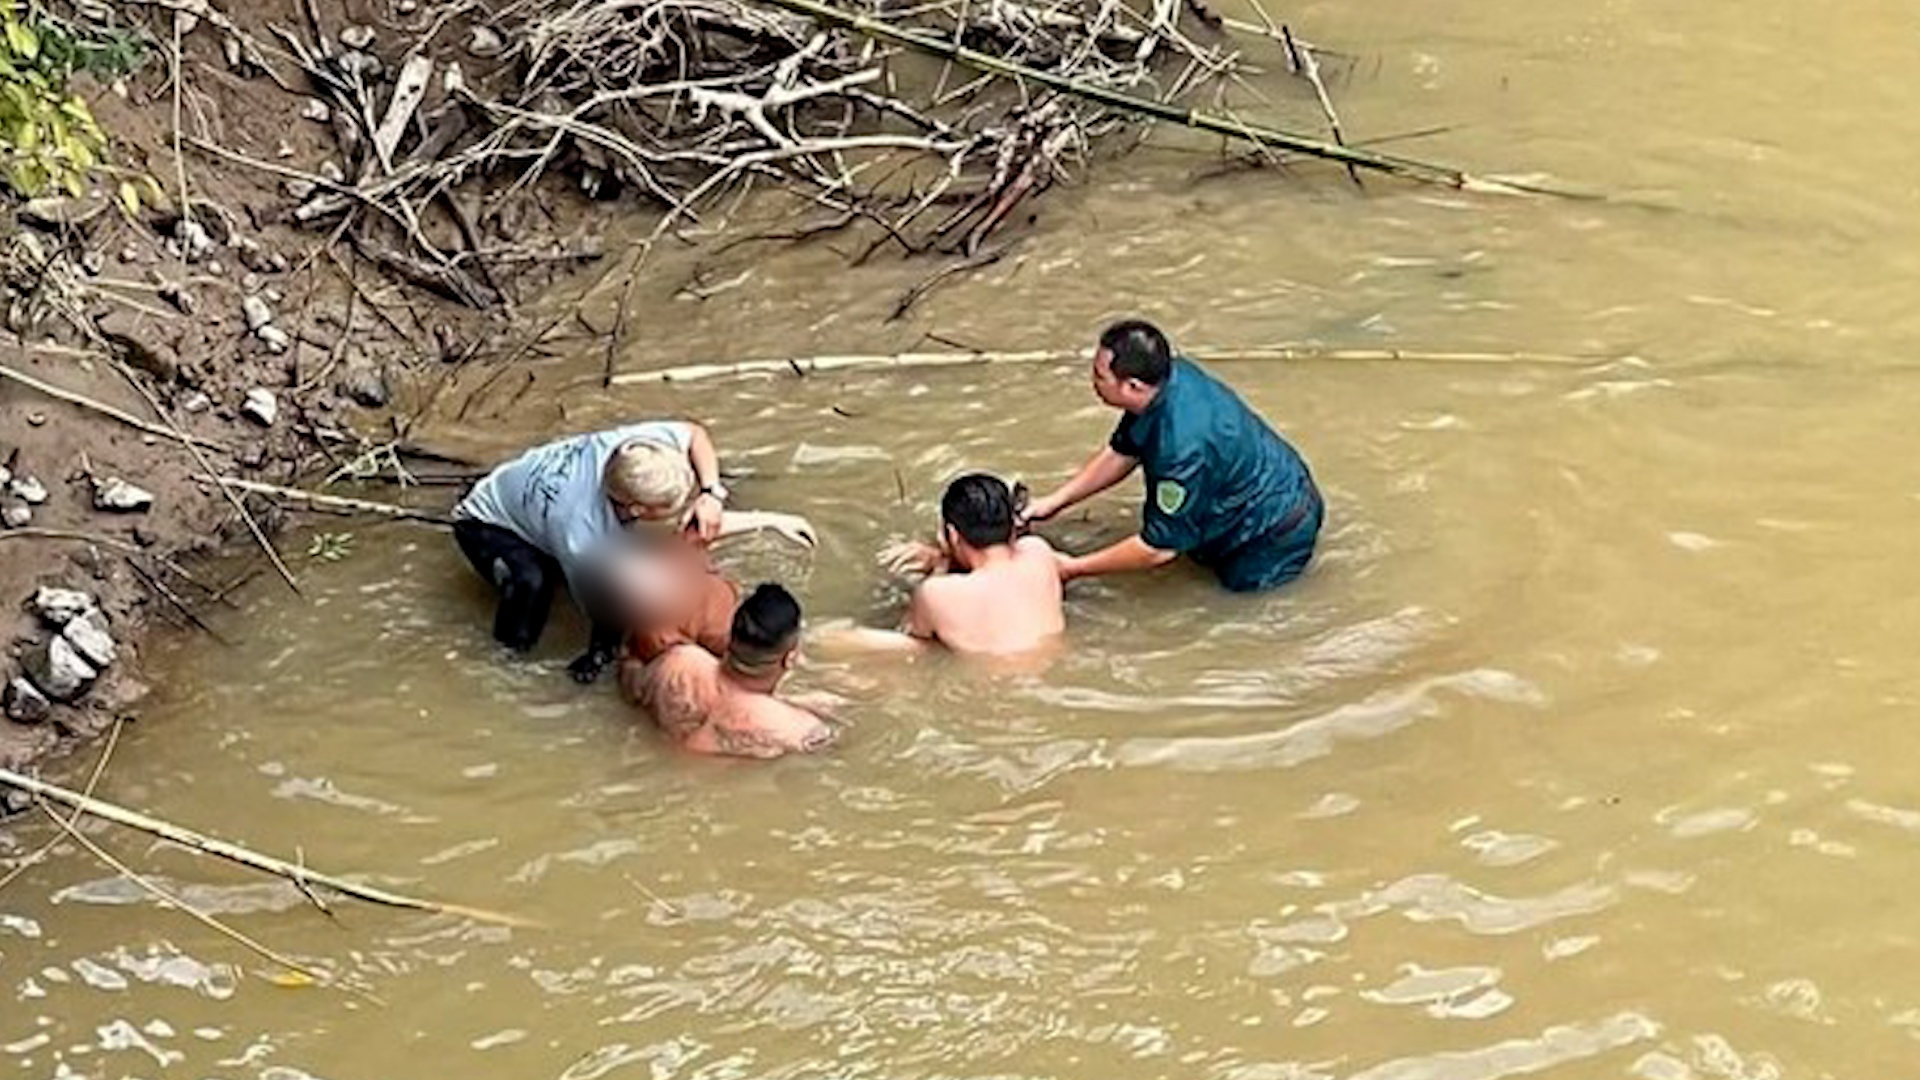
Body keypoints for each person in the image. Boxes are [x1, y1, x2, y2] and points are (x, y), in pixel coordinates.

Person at [452, 420, 810, 682]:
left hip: (540, 501)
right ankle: (505, 668)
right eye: (668, 508)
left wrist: (715, 496)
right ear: (636, 508)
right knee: (533, 583)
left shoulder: (635, 451)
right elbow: (602, 604)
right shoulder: (585, 537)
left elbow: (695, 435)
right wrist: (607, 644)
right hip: (487, 523)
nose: (679, 513)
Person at [1023, 319, 1324, 592]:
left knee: (1238, 603)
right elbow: (1124, 451)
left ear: (1132, 386)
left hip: (1272, 532)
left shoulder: (1181, 450)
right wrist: (1055, 502)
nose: (1092, 382)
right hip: (1260, 491)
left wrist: (1073, 568)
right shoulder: (1166, 378)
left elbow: (1158, 549)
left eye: (1099, 376)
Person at [854, 473, 1066, 657]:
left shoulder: (935, 592)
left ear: (953, 535)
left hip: (990, 683)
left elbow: (916, 640)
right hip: (1048, 660)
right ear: (1012, 527)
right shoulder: (1039, 553)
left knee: (837, 638)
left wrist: (940, 564)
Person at [619, 583, 836, 759]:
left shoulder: (677, 662)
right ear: (790, 658)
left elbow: (630, 684)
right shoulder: (797, 730)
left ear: (730, 637)